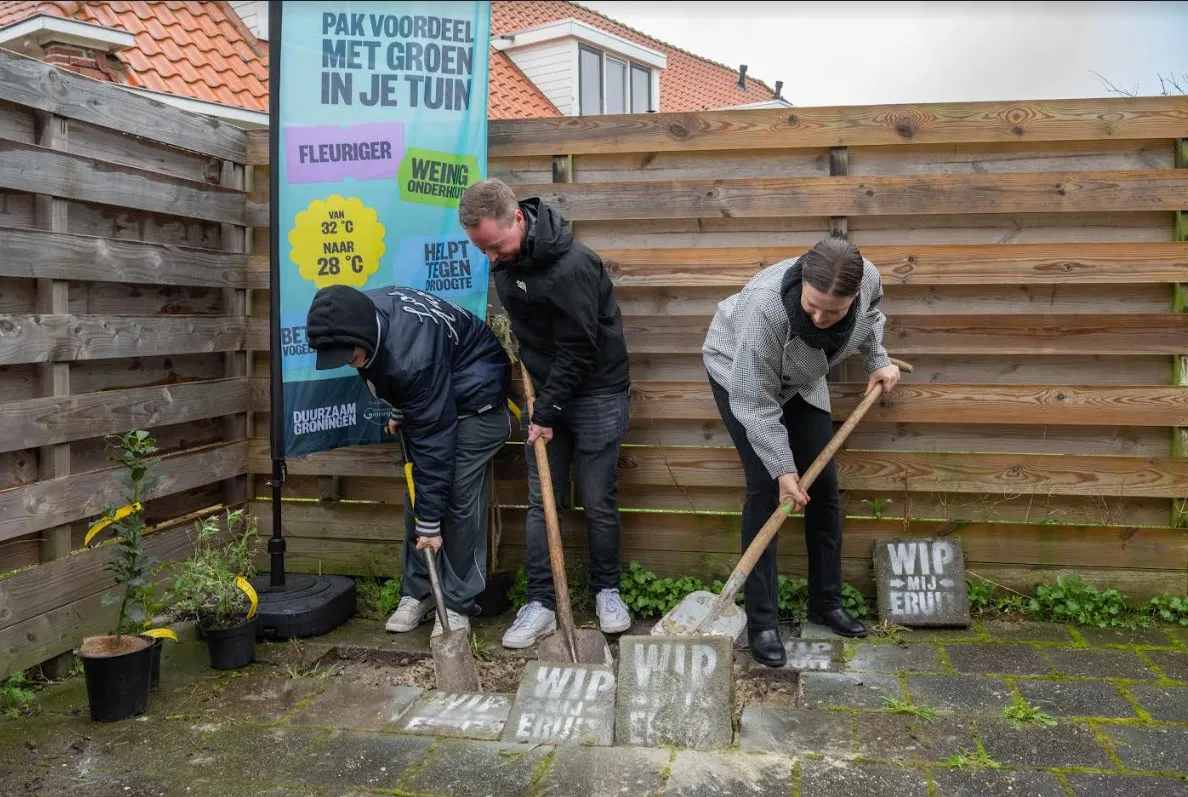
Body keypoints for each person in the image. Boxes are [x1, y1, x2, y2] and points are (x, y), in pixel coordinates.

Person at [701, 236, 900, 665]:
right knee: (767, 489)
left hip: (803, 375)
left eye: (834, 311)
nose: (821, 318)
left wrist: (878, 359)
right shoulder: (764, 307)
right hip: (741, 372)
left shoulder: (868, 282)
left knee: (824, 488)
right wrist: (781, 469)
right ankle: (762, 621)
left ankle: (825, 603)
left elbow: (870, 319)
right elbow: (755, 403)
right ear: (802, 283)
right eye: (812, 306)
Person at [457, 178, 633, 649]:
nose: (491, 259)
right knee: (543, 501)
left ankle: (606, 591)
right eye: (482, 250)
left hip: (596, 391)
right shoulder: (504, 261)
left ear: (519, 219)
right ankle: (540, 603)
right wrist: (541, 398)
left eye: (494, 246)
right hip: (546, 397)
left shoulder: (575, 265)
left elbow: (580, 348)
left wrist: (547, 412)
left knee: (597, 499)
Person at [305, 283, 512, 638]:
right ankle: (419, 593)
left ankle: (458, 603)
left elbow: (434, 435)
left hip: (479, 401)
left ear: (365, 335)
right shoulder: (358, 315)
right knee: (419, 495)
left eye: (350, 356)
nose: (350, 363)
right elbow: (393, 374)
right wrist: (406, 405)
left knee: (456, 497)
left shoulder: (412, 355)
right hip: (438, 393)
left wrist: (430, 524)